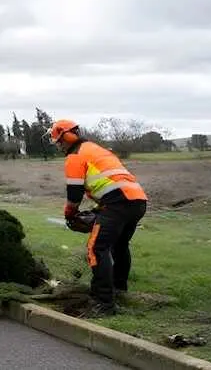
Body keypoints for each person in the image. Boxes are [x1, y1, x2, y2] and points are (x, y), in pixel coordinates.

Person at [47, 119, 148, 315]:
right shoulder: (94, 149)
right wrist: (96, 210)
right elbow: (107, 184)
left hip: (117, 203)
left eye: (59, 142)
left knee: (96, 248)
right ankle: (119, 290)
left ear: (66, 137)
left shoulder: (75, 156)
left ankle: (104, 303)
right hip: (136, 201)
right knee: (119, 246)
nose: (59, 146)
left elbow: (74, 193)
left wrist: (70, 214)